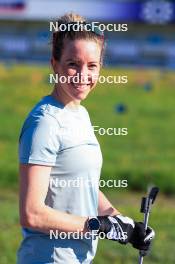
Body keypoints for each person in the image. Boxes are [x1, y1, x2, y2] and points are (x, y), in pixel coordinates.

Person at [17, 13, 155, 264]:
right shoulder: (45, 123)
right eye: (73, 63)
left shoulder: (79, 114)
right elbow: (32, 214)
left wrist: (124, 225)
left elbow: (82, 185)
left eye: (92, 65)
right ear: (54, 64)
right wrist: (98, 225)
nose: (83, 74)